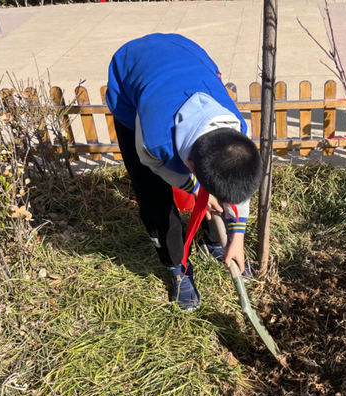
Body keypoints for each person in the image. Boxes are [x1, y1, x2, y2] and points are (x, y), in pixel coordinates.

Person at [106, 33, 263, 311]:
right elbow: (154, 164)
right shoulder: (155, 140)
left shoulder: (238, 132)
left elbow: (237, 187)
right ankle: (176, 266)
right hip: (133, 73)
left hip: (185, 54)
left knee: (221, 181)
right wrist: (193, 188)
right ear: (191, 165)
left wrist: (237, 238)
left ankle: (214, 242)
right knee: (153, 195)